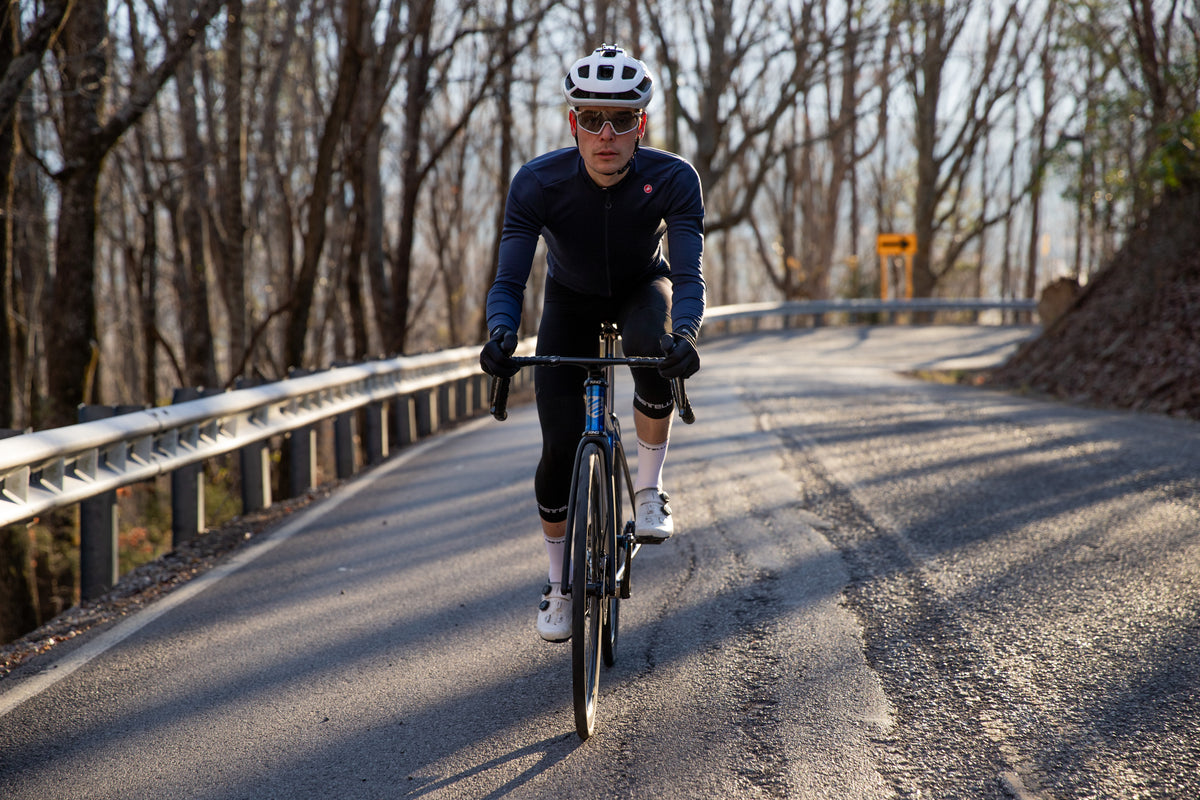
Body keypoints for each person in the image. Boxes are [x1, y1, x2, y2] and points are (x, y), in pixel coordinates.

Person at [480, 44, 705, 643]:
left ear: (642, 125)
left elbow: (687, 276)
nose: (607, 134)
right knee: (557, 448)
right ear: (572, 123)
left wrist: (684, 335)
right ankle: (557, 585)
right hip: (569, 302)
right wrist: (500, 333)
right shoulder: (537, 182)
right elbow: (508, 280)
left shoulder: (674, 179)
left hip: (640, 289)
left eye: (623, 120)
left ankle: (650, 490)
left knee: (651, 348)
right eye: (592, 118)